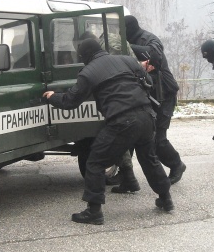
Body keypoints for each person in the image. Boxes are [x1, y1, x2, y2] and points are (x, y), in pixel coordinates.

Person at [43, 38, 174, 224]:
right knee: (149, 159)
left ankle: (94, 212)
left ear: (85, 56)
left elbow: (71, 101)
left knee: (95, 162)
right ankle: (166, 198)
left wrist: (53, 97)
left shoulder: (88, 72)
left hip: (122, 121)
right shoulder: (128, 60)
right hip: (146, 117)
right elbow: (148, 82)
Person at [124, 15, 187, 185]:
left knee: (158, 138)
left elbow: (155, 55)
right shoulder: (130, 41)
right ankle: (125, 175)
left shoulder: (148, 39)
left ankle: (177, 165)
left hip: (164, 94)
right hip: (148, 94)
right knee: (136, 135)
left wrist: (128, 46)